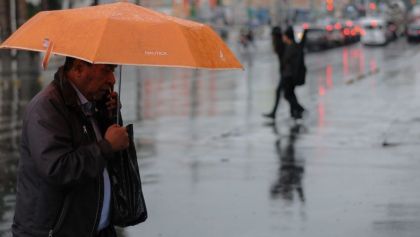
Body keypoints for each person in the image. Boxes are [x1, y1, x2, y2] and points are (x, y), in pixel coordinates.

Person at [12, 57, 130, 237]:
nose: (112, 80)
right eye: (106, 70)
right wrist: (106, 146)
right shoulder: (46, 108)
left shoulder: (91, 104)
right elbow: (58, 168)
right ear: (79, 69)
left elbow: (111, 165)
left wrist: (110, 117)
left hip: (95, 230)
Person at [264, 26, 305, 119]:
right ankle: (294, 111)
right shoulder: (286, 45)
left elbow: (289, 62)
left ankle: (298, 110)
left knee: (286, 94)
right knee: (289, 94)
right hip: (287, 74)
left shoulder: (286, 46)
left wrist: (289, 74)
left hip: (287, 75)